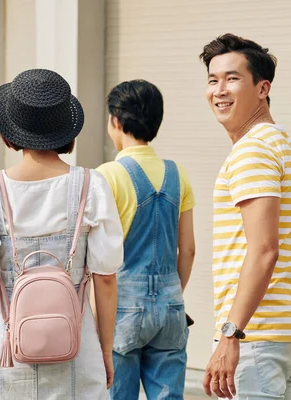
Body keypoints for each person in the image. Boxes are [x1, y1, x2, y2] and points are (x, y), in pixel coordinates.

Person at [0, 69, 123, 399]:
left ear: (9, 135)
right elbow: (105, 279)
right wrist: (105, 351)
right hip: (77, 348)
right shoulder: (92, 186)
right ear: (67, 133)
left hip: (5, 351)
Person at [199, 33, 291, 399]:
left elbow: (264, 249)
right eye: (213, 80)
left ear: (263, 88)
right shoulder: (281, 143)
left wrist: (231, 334)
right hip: (280, 334)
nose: (220, 90)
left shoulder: (253, 151)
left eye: (232, 78)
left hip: (256, 336)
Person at [97, 79, 196, 400]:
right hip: (170, 304)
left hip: (123, 306)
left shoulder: (107, 175)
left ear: (116, 121)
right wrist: (170, 294)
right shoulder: (177, 173)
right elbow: (189, 250)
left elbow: (98, 258)